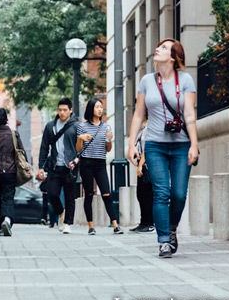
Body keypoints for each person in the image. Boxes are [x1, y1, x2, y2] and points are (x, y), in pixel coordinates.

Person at [127, 38, 198, 259]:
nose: (158, 49)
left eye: (164, 47)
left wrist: (195, 144)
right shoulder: (147, 81)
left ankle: (172, 228)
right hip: (155, 144)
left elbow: (189, 114)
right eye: (159, 46)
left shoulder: (185, 80)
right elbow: (139, 114)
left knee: (178, 194)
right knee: (161, 192)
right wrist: (131, 144)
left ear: (175, 57)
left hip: (181, 144)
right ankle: (164, 240)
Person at [74, 98, 124, 235]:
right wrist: (80, 138)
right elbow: (78, 149)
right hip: (86, 163)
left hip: (100, 163)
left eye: (101, 107)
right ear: (91, 109)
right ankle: (91, 226)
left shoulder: (106, 126)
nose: (100, 109)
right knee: (89, 194)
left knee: (107, 194)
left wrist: (109, 139)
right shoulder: (82, 127)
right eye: (97, 107)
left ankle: (115, 225)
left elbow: (108, 149)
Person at [36, 98, 78, 234]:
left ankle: (68, 223)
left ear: (70, 110)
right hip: (54, 166)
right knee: (52, 194)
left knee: (69, 195)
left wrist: (76, 161)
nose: (62, 112)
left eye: (65, 110)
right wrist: (41, 166)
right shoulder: (50, 126)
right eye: (60, 110)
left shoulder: (76, 126)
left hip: (70, 166)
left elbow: (81, 148)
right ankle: (61, 212)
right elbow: (44, 147)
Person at [0, 108, 23, 237]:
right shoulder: (13, 134)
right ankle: (7, 219)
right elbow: (21, 152)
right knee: (8, 197)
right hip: (10, 171)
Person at [130, 120, 154, 233]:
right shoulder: (145, 125)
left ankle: (149, 223)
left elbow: (148, 146)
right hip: (143, 163)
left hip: (148, 164)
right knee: (141, 194)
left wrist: (140, 165)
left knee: (147, 195)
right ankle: (143, 222)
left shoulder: (152, 125)